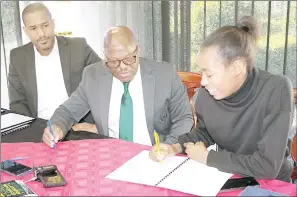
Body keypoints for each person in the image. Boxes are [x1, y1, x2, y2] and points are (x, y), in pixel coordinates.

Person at [150, 15, 294, 182]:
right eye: (201, 73)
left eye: (209, 74)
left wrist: (208, 158)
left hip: (269, 184)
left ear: (237, 67)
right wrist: (174, 147)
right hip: (226, 177)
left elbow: (267, 167)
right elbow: (205, 133)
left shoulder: (276, 89)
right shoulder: (209, 91)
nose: (203, 82)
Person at [42, 26, 193, 147]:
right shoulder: (93, 76)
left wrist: (168, 148)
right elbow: (68, 111)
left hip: (153, 153)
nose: (122, 67)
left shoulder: (165, 75)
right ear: (105, 57)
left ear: (137, 50)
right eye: (113, 62)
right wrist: (57, 126)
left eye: (128, 59)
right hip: (110, 154)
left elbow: (184, 119)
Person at [8, 3, 101, 132]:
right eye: (33, 28)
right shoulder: (17, 57)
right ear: (25, 31)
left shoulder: (78, 47)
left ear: (53, 23)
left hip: (77, 126)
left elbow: (104, 78)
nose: (41, 34)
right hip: (37, 128)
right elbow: (18, 102)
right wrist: (30, 130)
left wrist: (92, 126)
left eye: (45, 25)